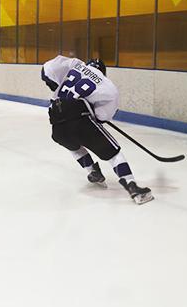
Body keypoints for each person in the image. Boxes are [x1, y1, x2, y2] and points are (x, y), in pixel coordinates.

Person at [41, 55, 153, 204]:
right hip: (80, 119)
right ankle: (132, 187)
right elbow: (101, 117)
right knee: (114, 154)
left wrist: (55, 87)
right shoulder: (108, 86)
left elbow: (46, 70)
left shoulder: (75, 65)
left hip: (55, 119)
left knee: (72, 145)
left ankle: (93, 172)